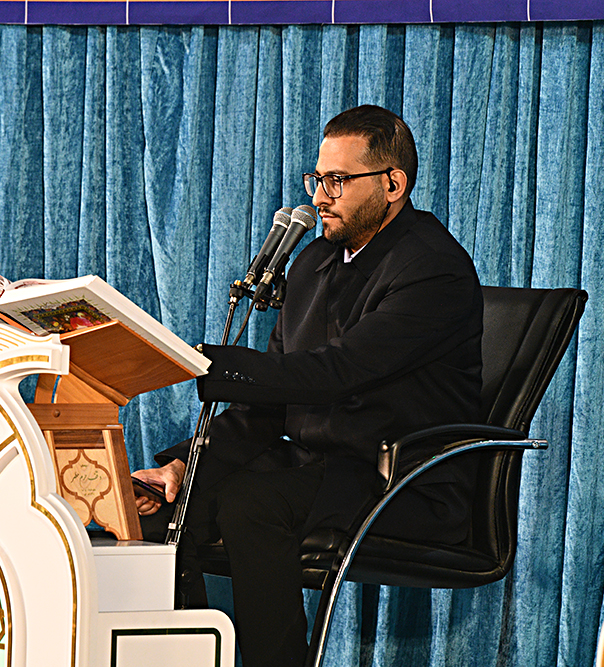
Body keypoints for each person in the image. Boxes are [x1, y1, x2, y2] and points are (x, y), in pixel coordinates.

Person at [133, 104, 484, 666]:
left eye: (337, 181)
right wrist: (184, 465)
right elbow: (268, 408)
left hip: (402, 477)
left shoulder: (432, 269)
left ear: (393, 184)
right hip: (317, 466)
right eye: (316, 179)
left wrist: (202, 363)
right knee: (163, 509)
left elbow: (333, 374)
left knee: (250, 504)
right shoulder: (313, 262)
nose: (320, 196)